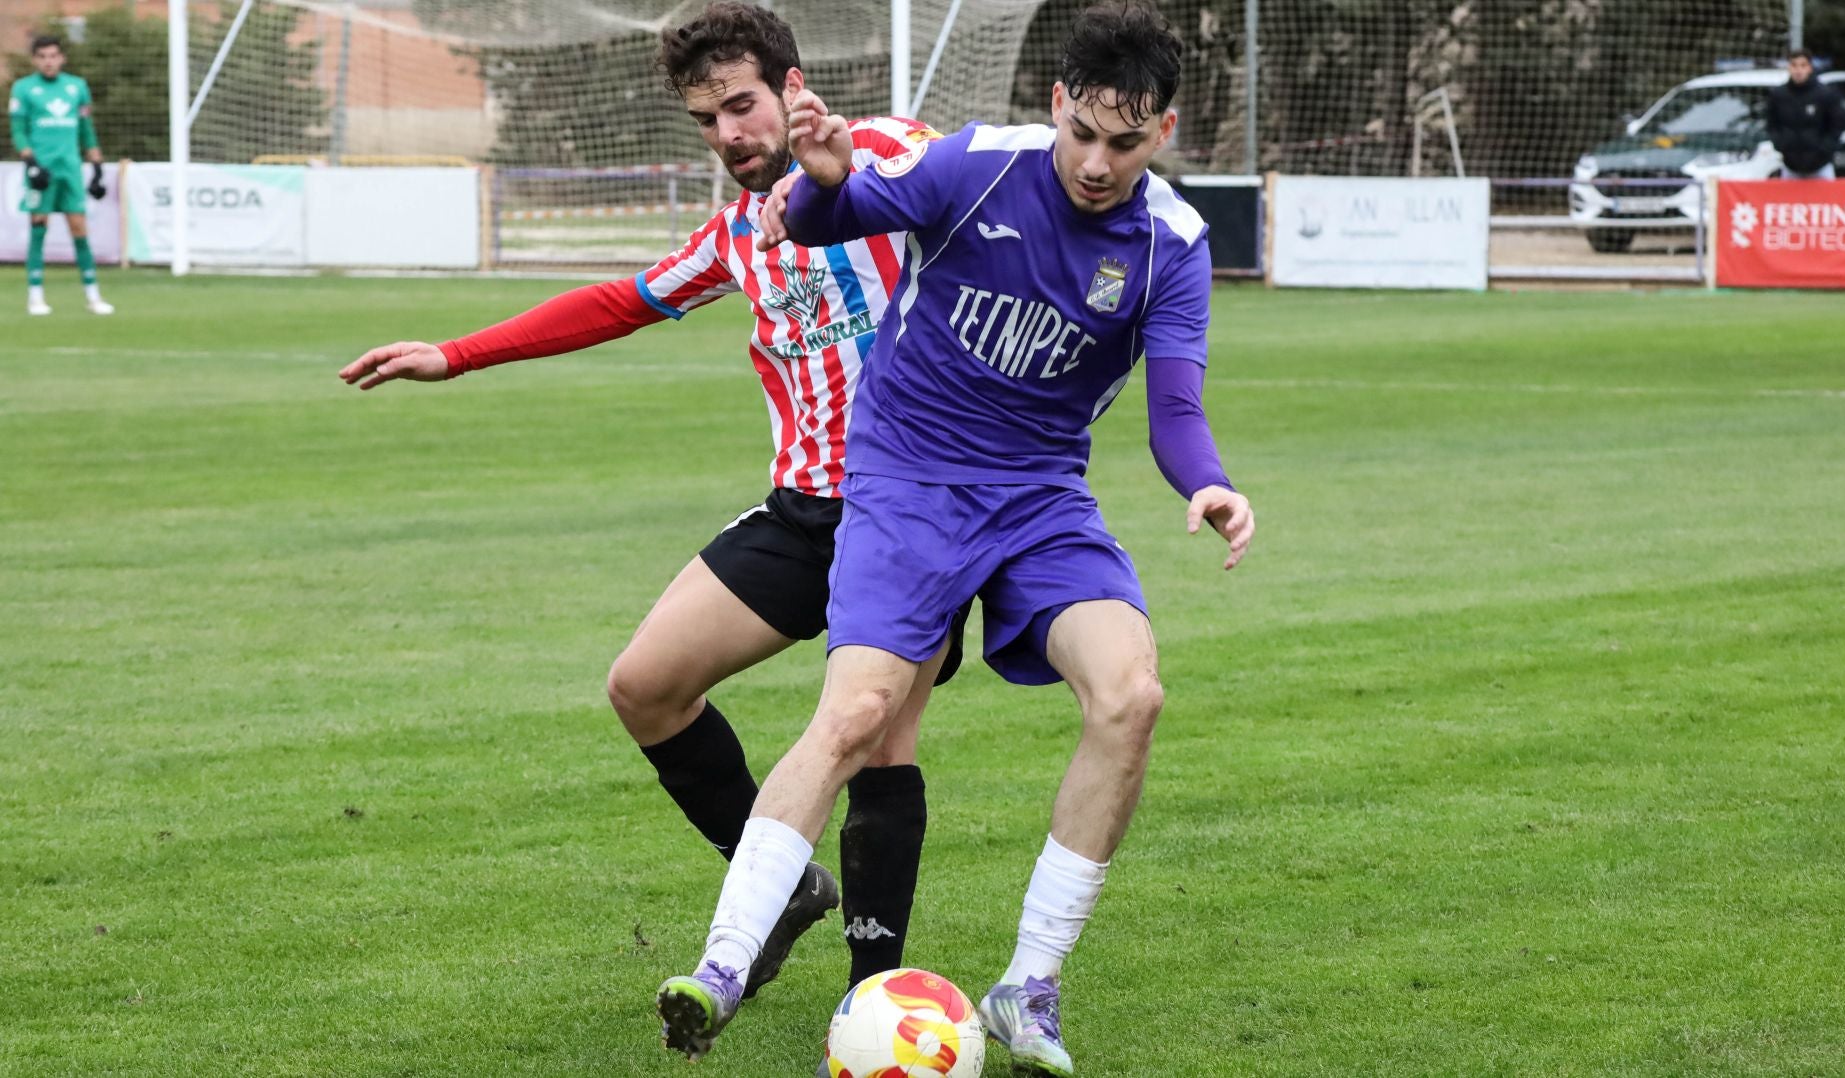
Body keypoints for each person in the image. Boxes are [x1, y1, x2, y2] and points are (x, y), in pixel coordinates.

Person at [655, 3, 1254, 1074]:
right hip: (907, 483)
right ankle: (724, 963)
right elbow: (827, 217)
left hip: (1039, 500)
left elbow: (1174, 410)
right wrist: (832, 178)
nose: (1098, 164)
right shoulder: (980, 163)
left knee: (1132, 693)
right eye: (1085, 134)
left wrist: (1208, 483)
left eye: (1127, 144)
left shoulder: (1174, 244)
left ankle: (1029, 985)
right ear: (1059, 105)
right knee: (857, 714)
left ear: (1161, 133)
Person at [337, 1, 960, 1001]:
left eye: (743, 106)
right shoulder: (737, 235)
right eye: (707, 120)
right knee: (645, 685)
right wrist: (454, 354)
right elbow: (621, 300)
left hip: (916, 514)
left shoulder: (894, 156)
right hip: (804, 510)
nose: (728, 135)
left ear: (795, 89)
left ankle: (872, 997)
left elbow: (996, 179)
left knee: (878, 735)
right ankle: (785, 884)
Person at [10, 35, 113, 316]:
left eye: (53, 56)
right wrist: (30, 161)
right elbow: (18, 130)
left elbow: (86, 130)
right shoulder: (24, 89)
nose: (48, 61)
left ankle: (93, 296)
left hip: (70, 168)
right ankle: (35, 296)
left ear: (62, 58)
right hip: (41, 168)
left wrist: (97, 168)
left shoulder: (76, 87)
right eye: (42, 56)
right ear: (35, 60)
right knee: (39, 225)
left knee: (79, 227)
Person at [1766, 50, 1845, 180]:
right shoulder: (1778, 95)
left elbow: (1837, 126)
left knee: (1826, 200)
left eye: (1803, 65)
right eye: (1794, 65)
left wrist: (1824, 150)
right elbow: (1772, 124)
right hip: (1790, 166)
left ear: (1810, 68)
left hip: (1821, 167)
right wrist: (1781, 145)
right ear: (1789, 67)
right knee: (1789, 200)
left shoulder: (1825, 94)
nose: (1798, 70)